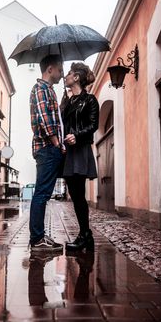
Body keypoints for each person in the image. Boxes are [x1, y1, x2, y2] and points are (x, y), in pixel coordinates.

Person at [62, 62, 99, 252]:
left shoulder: (90, 100)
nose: (66, 77)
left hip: (81, 149)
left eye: (68, 74)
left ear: (76, 77)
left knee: (79, 195)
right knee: (76, 196)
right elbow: (62, 123)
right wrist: (64, 100)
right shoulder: (68, 101)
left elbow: (94, 125)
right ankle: (86, 235)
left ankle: (85, 234)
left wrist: (77, 135)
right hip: (68, 152)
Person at [29, 54, 64, 252]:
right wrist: (56, 142)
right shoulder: (41, 89)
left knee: (43, 193)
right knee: (41, 193)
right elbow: (44, 119)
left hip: (48, 148)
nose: (61, 74)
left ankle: (39, 236)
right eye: (60, 70)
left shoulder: (48, 90)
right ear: (50, 69)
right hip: (47, 148)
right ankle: (36, 240)